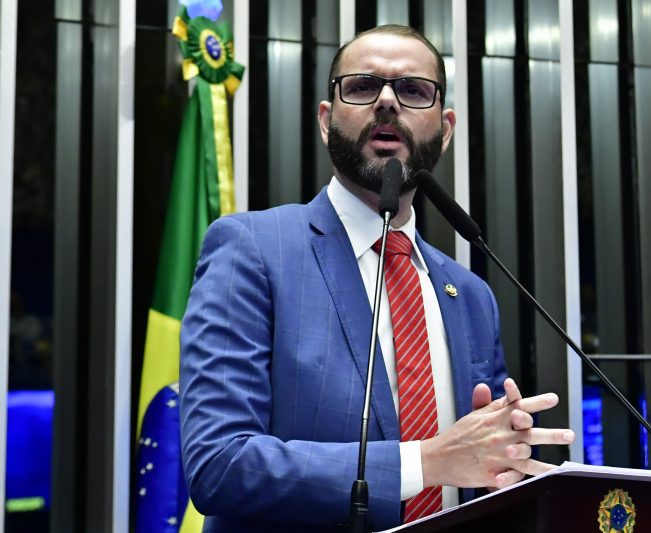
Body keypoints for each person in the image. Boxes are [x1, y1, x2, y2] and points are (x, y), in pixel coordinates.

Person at [179, 24, 575, 532]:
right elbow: (219, 464)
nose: (387, 102)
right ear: (327, 121)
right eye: (363, 86)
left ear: (445, 130)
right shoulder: (252, 249)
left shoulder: (471, 294)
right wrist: (425, 462)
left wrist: (508, 462)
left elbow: (477, 466)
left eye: (413, 90)